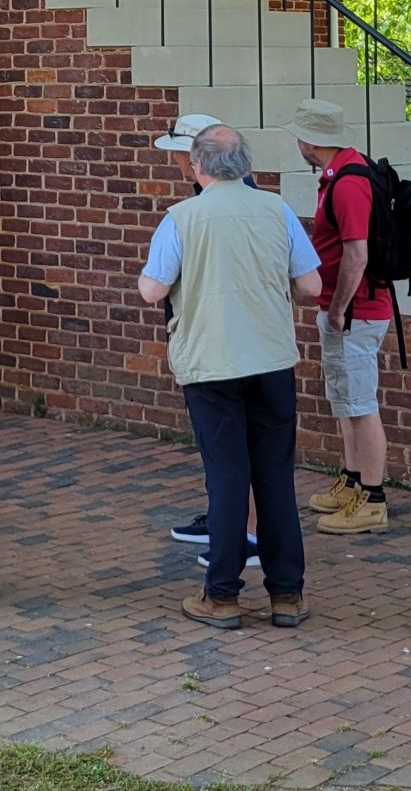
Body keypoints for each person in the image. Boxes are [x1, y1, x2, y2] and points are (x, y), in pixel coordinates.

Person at [139, 125, 322, 631]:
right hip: (270, 358)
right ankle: (287, 594)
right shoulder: (277, 210)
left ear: (198, 165)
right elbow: (311, 283)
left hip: (211, 362)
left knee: (226, 478)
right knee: (275, 477)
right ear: (245, 165)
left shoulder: (181, 218)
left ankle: (221, 596)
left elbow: (153, 290)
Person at [150, 113, 260, 569]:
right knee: (224, 446)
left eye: (180, 151)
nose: (175, 160)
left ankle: (244, 534)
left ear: (199, 156)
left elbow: (154, 285)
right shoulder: (210, 199)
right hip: (226, 339)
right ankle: (227, 520)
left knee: (237, 446)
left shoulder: (229, 205)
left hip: (228, 342)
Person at [293, 98, 396, 537]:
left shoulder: (349, 183)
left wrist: (338, 309)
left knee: (360, 403)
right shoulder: (339, 175)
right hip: (345, 309)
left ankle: (372, 498)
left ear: (312, 140)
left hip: (354, 312)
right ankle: (353, 480)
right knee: (346, 401)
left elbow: (357, 253)